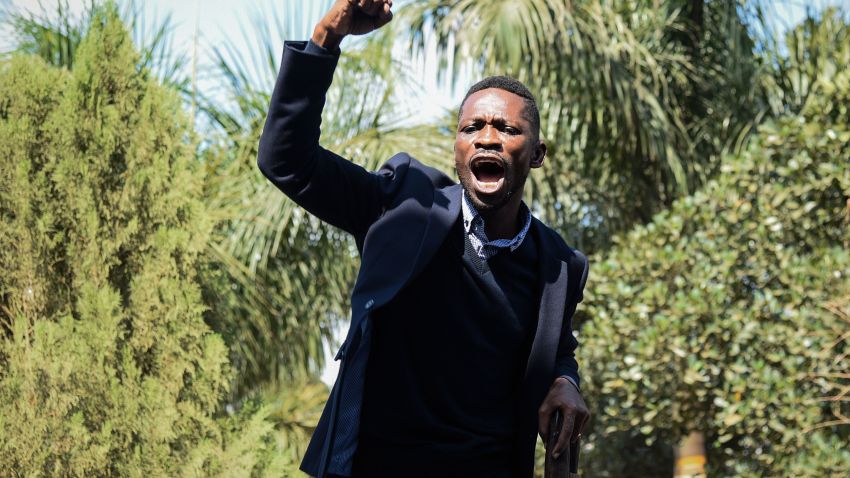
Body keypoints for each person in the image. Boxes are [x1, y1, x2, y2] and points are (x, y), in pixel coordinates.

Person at [257, 1, 590, 476]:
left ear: (537, 154)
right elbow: (285, 159)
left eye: (507, 128)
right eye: (472, 127)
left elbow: (558, 349)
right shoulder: (403, 205)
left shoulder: (558, 264)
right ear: (457, 149)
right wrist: (328, 34)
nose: (487, 138)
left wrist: (565, 380)